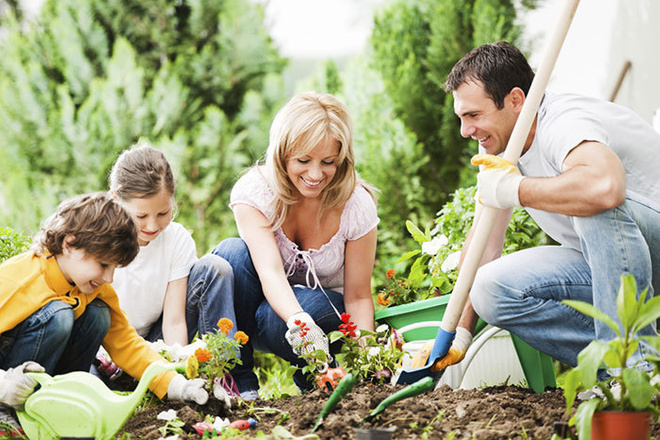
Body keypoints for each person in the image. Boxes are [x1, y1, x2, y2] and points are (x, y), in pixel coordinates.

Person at [436, 41, 659, 377]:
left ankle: (635, 369)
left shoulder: (562, 122)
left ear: (515, 101)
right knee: (491, 288)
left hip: (651, 241)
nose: (465, 131)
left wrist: (516, 189)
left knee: (593, 204)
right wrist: (459, 334)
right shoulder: (501, 150)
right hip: (612, 264)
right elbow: (484, 247)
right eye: (461, 117)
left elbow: (606, 188)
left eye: (473, 115)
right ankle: (622, 375)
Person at [213, 91, 379, 399]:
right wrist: (300, 323)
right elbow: (271, 273)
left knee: (299, 307)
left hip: (320, 313)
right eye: (303, 160)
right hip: (263, 314)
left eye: (328, 162)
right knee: (229, 255)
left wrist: (368, 361)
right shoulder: (256, 192)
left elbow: (357, 296)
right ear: (282, 154)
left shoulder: (356, 204)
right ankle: (241, 386)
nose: (316, 175)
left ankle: (321, 382)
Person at [0, 192, 208, 411]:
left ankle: (62, 403)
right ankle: (7, 411)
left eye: (114, 268)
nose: (109, 278)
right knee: (58, 315)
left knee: (99, 314)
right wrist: (4, 386)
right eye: (102, 265)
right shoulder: (19, 280)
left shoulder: (94, 287)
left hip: (35, 376)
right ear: (69, 245)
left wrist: (179, 386)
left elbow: (127, 344)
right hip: (7, 380)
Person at [107, 141, 236, 347]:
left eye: (162, 213)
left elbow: (174, 321)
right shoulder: (99, 239)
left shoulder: (176, 240)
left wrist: (178, 367)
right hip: (106, 344)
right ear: (116, 200)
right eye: (141, 216)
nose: (152, 225)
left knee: (215, 268)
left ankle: (220, 368)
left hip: (154, 340)